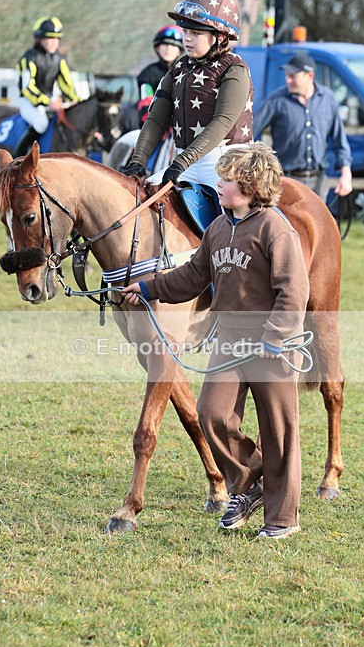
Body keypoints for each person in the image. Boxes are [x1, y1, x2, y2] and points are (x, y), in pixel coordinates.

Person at [122, 142, 309, 538]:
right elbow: (192, 276)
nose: (219, 185)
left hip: (272, 346)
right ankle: (249, 483)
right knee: (212, 414)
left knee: (278, 431)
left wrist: (275, 337)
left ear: (251, 187)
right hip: (230, 342)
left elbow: (294, 291)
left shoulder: (275, 229)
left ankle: (282, 519)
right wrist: (149, 287)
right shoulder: (219, 229)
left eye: (227, 179)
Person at [121, 0, 254, 190]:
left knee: (232, 203)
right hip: (184, 162)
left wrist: (182, 162)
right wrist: (138, 161)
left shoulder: (235, 68)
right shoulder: (178, 67)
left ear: (219, 36)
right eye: (186, 32)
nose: (187, 39)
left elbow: (223, 121)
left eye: (196, 33)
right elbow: (156, 119)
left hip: (226, 162)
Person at [253, 52, 352, 200]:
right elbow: (251, 131)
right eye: (287, 75)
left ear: (309, 76)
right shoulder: (276, 100)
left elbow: (340, 140)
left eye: (293, 76)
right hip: (286, 181)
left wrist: (346, 174)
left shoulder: (328, 99)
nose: (288, 80)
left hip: (319, 182)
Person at [15, 16, 79, 155]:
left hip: (51, 102)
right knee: (41, 123)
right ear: (40, 39)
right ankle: (18, 157)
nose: (54, 42)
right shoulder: (29, 57)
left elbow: (67, 84)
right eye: (50, 38)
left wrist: (74, 99)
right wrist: (48, 102)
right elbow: (27, 88)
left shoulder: (59, 59)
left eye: (57, 38)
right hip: (29, 102)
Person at [135, 25, 184, 125]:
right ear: (157, 48)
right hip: (155, 125)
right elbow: (145, 104)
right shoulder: (147, 74)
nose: (168, 49)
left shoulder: (187, 71)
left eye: (173, 45)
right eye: (165, 44)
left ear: (179, 50)